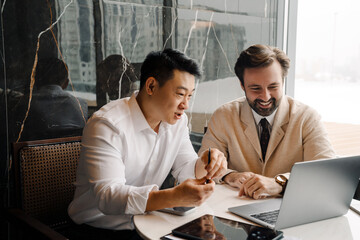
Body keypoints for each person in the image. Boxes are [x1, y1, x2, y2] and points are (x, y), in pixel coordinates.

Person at [68, 49, 227, 239]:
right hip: (98, 228)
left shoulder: (177, 122)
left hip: (148, 222)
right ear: (151, 86)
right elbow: (108, 197)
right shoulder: (107, 124)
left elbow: (186, 168)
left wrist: (207, 164)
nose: (185, 105)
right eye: (180, 94)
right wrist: (173, 197)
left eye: (190, 96)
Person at [199, 44, 336, 200]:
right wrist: (231, 176)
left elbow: (327, 173)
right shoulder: (224, 116)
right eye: (255, 88)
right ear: (242, 85)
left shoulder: (307, 117)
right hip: (234, 213)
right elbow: (203, 165)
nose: (265, 97)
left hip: (290, 214)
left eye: (273, 87)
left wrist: (280, 184)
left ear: (283, 82)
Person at [11, 57, 88, 141]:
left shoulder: (26, 103)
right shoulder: (81, 104)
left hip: (36, 154)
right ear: (66, 83)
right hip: (73, 153)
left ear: (35, 81)